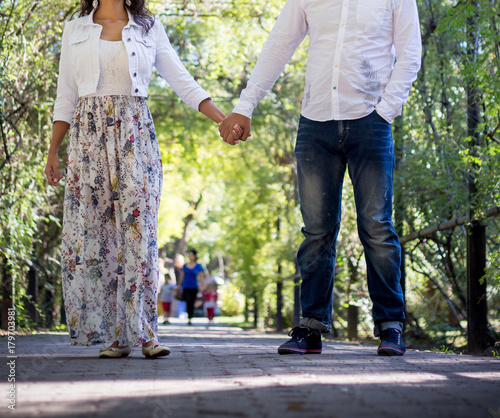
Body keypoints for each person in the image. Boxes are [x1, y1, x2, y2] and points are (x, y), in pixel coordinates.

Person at [220, 0, 422, 356]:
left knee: (376, 226)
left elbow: (409, 53)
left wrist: (386, 110)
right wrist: (244, 106)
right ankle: (310, 328)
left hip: (371, 120)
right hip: (315, 122)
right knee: (316, 231)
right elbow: (278, 46)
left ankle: (391, 327)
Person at [44, 0, 240, 359]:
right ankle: (114, 336)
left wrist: (224, 119)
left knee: (139, 231)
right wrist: (53, 151)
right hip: (88, 141)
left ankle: (144, 332)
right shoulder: (75, 30)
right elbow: (65, 95)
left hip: (135, 136)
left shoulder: (149, 27)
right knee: (98, 236)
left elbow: (182, 79)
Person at [176, 249, 205, 325]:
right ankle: (189, 315)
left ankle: (190, 317)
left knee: (192, 301)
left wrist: (202, 286)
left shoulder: (198, 266)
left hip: (194, 287)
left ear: (195, 256)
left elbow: (201, 277)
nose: (190, 257)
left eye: (191, 255)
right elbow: (181, 276)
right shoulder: (185, 266)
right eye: (189, 255)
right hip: (186, 286)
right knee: (188, 300)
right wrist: (178, 285)